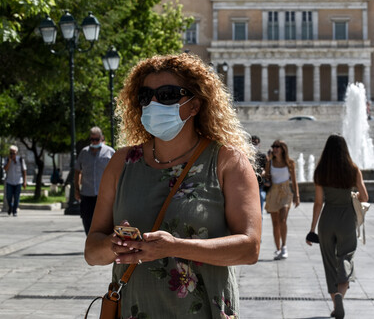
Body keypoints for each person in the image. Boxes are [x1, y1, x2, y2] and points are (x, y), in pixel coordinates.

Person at [84, 53, 261, 318]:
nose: (154, 102)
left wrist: (174, 247)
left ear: (195, 105)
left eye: (167, 94)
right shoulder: (121, 163)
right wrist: (113, 245)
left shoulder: (227, 161)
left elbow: (250, 248)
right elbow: (92, 252)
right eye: (146, 96)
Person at [306, 134, 368, 319]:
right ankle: (341, 294)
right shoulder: (353, 169)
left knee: (329, 262)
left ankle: (335, 304)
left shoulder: (320, 171)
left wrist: (312, 229)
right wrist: (353, 195)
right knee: (346, 257)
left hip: (327, 219)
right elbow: (364, 197)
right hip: (347, 218)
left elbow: (318, 202)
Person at [74, 127, 115, 235]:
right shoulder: (84, 152)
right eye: (92, 139)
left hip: (104, 195)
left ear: (101, 138)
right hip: (87, 194)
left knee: (105, 223)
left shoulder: (110, 152)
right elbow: (77, 171)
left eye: (96, 139)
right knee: (87, 221)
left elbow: (117, 172)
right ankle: (90, 242)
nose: (94, 142)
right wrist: (77, 189)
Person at [264, 139, 300, 260]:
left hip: (285, 192)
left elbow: (294, 181)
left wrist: (297, 195)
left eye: (277, 147)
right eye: (273, 146)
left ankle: (284, 247)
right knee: (275, 223)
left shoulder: (290, 162)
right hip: (273, 192)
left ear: (282, 149)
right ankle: (278, 248)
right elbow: (267, 176)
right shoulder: (270, 162)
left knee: (282, 219)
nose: (274, 149)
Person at [3, 145, 27, 216]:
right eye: (10, 153)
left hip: (18, 182)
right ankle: (10, 207)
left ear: (16, 153)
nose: (12, 154)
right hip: (9, 181)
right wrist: (10, 161)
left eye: (13, 153)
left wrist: (24, 181)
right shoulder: (7, 160)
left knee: (17, 197)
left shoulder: (20, 160)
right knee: (9, 197)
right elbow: (5, 169)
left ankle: (15, 210)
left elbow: (24, 171)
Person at [252, 135, 267, 213]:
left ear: (259, 144)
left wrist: (261, 173)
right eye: (252, 142)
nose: (254, 144)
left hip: (259, 185)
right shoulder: (246, 156)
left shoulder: (262, 156)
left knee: (259, 212)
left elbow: (266, 170)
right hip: (249, 186)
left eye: (256, 143)